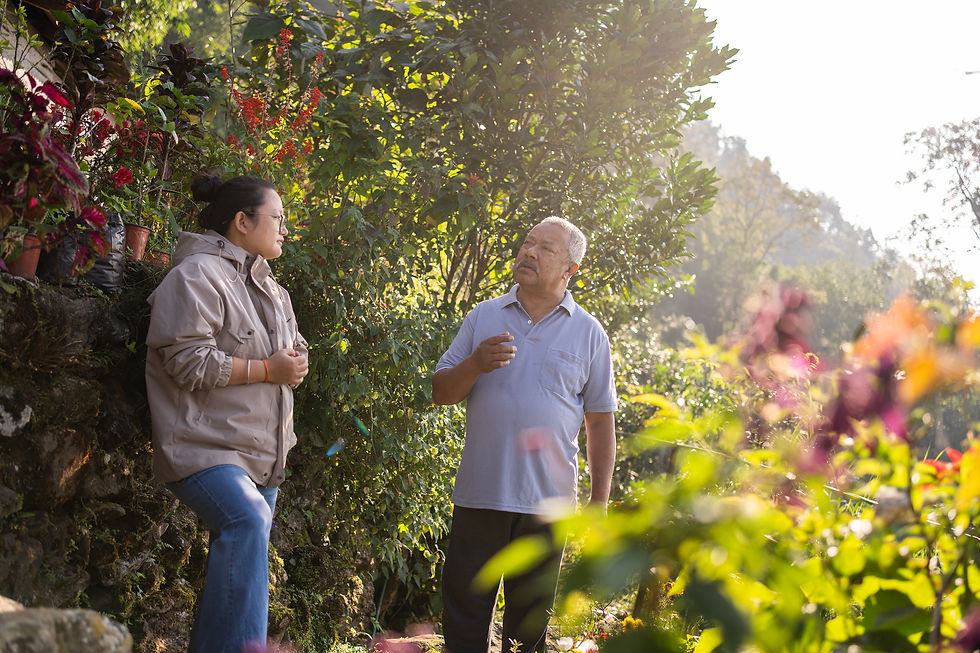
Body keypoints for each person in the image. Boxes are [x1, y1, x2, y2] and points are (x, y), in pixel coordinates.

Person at [432, 216, 617, 653]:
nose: (529, 252)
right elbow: (441, 392)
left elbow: (600, 420)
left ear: (570, 269)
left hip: (548, 506)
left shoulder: (589, 333)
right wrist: (475, 364)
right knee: (463, 623)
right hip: (480, 495)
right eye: (528, 243)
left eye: (546, 248)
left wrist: (600, 501)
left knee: (527, 633)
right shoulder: (485, 315)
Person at [145, 174, 309, 653]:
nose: (284, 229)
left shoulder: (272, 288)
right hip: (202, 446)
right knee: (247, 519)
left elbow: (292, 350)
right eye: (277, 218)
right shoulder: (196, 275)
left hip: (262, 454)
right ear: (242, 221)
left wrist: (294, 362)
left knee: (249, 542)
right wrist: (267, 368)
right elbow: (186, 361)